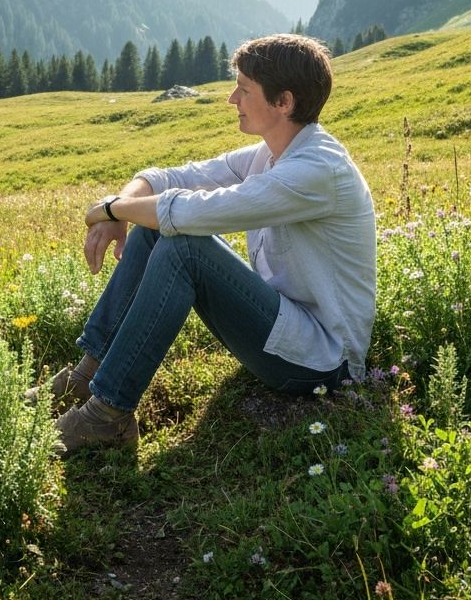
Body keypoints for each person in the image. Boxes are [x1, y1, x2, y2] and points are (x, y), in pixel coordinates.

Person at [31, 33, 376, 456]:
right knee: (159, 226)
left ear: (283, 102)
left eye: (244, 89)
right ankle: (89, 372)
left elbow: (190, 212)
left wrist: (110, 210)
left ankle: (106, 416)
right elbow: (169, 179)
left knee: (184, 246)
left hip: (322, 359)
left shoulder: (317, 172)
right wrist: (120, 206)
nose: (232, 98)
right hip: (282, 325)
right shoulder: (269, 155)